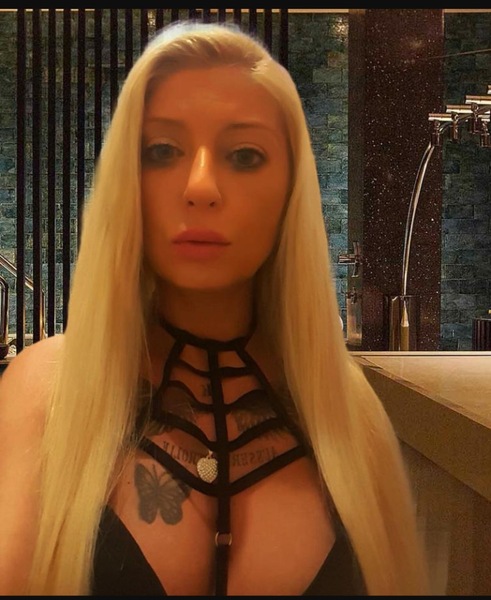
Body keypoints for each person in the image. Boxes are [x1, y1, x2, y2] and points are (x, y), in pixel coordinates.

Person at [0, 19, 430, 596]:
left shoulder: (347, 413)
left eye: (245, 155)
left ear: (290, 191)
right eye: (162, 150)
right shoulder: (49, 393)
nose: (200, 186)